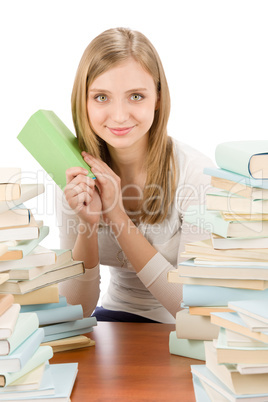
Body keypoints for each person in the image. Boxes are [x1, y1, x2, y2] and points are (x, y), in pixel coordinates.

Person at [56, 27, 214, 323]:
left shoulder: (197, 176)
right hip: (112, 319)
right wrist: (87, 227)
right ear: (84, 102)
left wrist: (116, 216)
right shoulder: (76, 177)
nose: (118, 115)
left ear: (157, 97)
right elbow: (75, 312)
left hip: (181, 329)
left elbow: (192, 308)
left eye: (136, 96)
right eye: (101, 97)